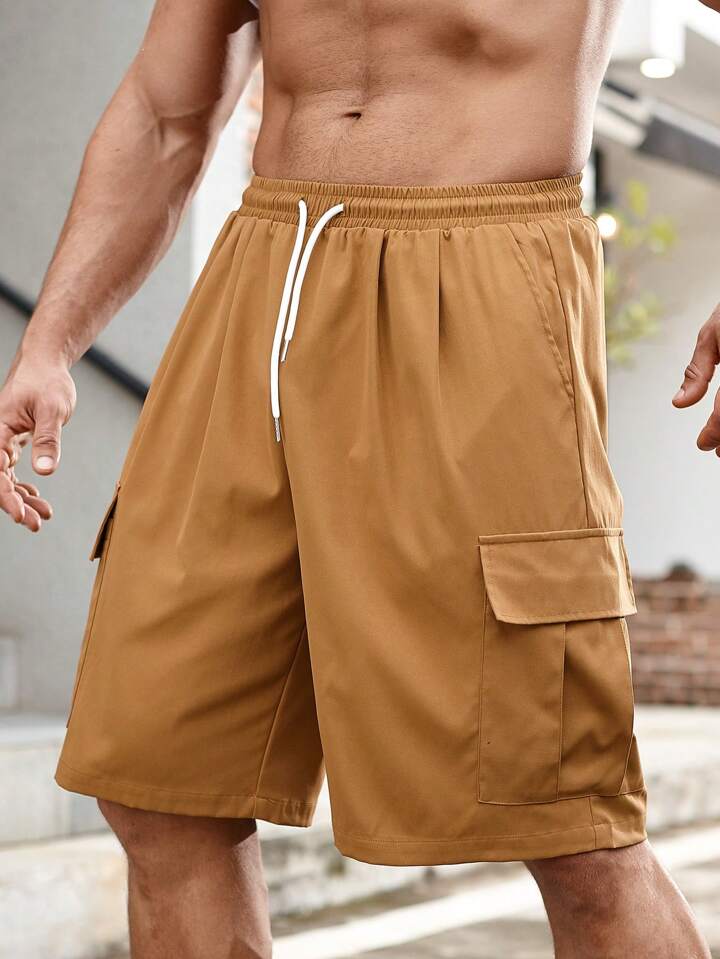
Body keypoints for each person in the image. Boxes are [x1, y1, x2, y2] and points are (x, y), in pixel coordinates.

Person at [0, 1, 716, 956]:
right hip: (257, 285)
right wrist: (51, 340)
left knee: (565, 818)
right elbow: (166, 113)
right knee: (158, 781)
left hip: (479, 281)